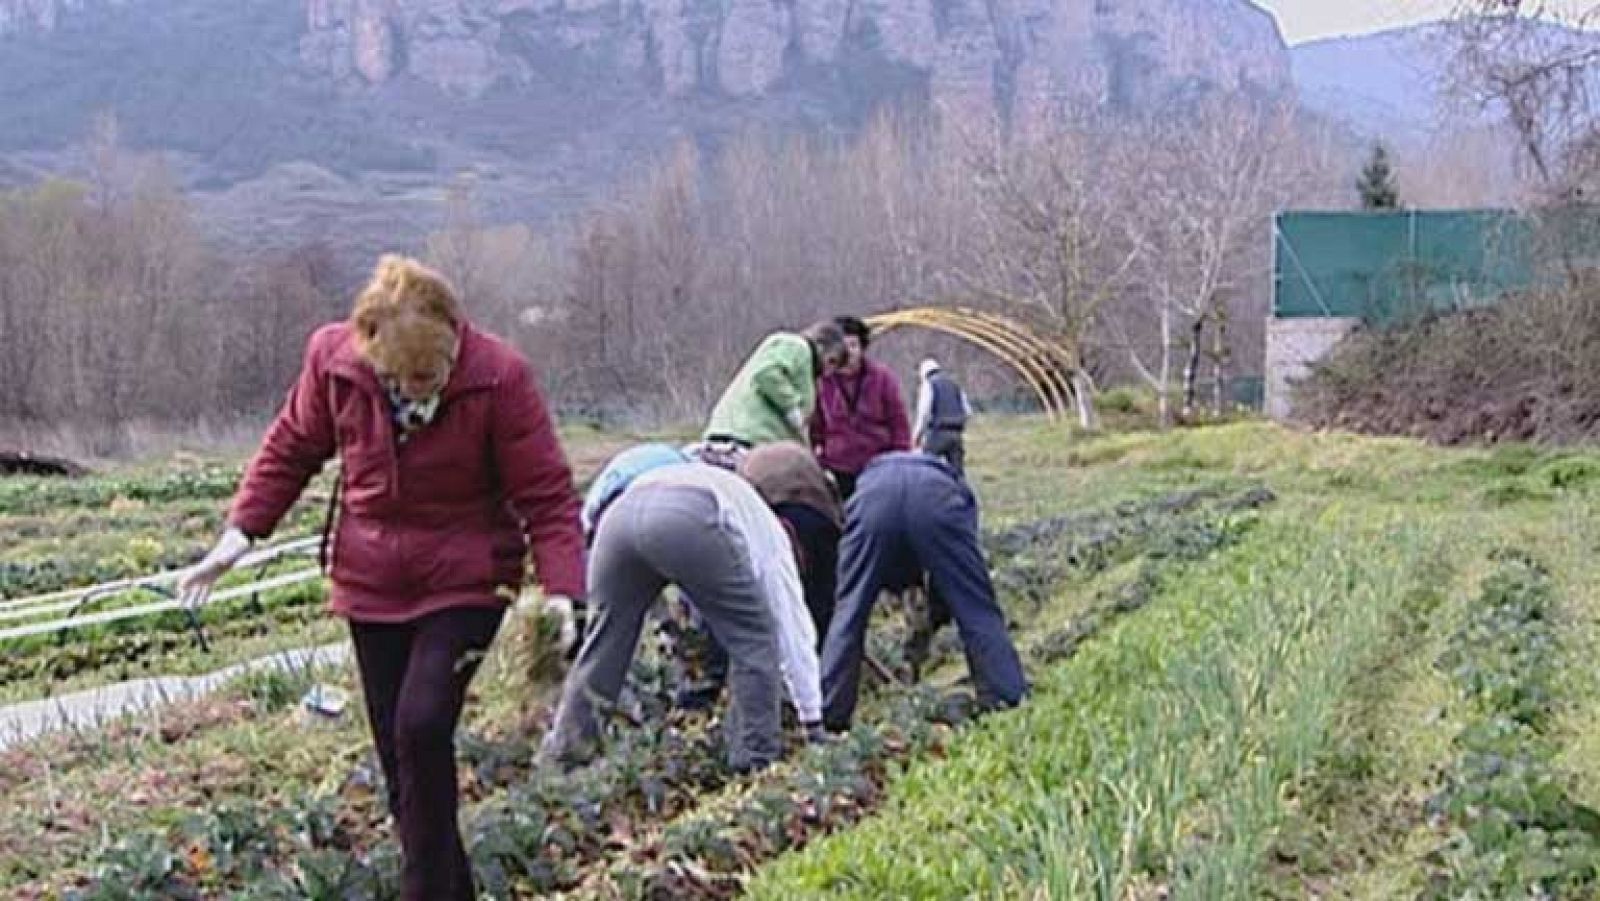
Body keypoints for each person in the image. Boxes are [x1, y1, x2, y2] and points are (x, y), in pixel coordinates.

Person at [177, 255, 585, 901]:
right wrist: (238, 535)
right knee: (400, 757)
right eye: (407, 376)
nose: (422, 387)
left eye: (434, 372)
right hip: (371, 578)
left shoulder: (500, 377)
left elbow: (547, 494)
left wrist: (564, 590)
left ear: (455, 335)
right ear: (370, 349)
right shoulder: (333, 362)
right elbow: (291, 447)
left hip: (468, 574)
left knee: (422, 724)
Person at [542, 446, 825, 772]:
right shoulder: (773, 541)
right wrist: (812, 717)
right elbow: (791, 624)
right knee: (755, 640)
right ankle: (754, 761)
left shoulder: (734, 493)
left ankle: (563, 756)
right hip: (686, 516)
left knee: (603, 647)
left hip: (616, 520)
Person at [820, 452, 1026, 731]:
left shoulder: (866, 481)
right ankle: (1005, 697)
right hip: (936, 502)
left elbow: (871, 572)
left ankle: (829, 715)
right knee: (976, 608)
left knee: (848, 614)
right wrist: (940, 608)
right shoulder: (953, 485)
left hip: (873, 504)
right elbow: (956, 577)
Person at [739, 441, 843, 646]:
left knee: (777, 591)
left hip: (768, 518)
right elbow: (834, 502)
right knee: (822, 595)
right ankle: (825, 652)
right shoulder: (801, 456)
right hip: (813, 515)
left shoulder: (749, 462)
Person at [702, 321, 849, 459]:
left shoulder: (808, 375)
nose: (828, 371)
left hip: (758, 442)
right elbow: (767, 373)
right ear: (821, 346)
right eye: (831, 361)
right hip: (747, 437)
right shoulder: (796, 346)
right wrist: (792, 407)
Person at [809, 316, 910, 500]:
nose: (848, 353)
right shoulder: (822, 381)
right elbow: (816, 426)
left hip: (878, 466)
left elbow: (899, 423)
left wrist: (900, 463)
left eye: (854, 346)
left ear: (863, 348)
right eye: (843, 347)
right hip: (837, 468)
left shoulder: (882, 378)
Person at [911, 357, 973, 477]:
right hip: (956, 435)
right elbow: (968, 411)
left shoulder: (929, 384)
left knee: (927, 468)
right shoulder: (954, 385)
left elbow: (924, 413)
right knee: (958, 475)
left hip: (937, 433)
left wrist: (917, 436)